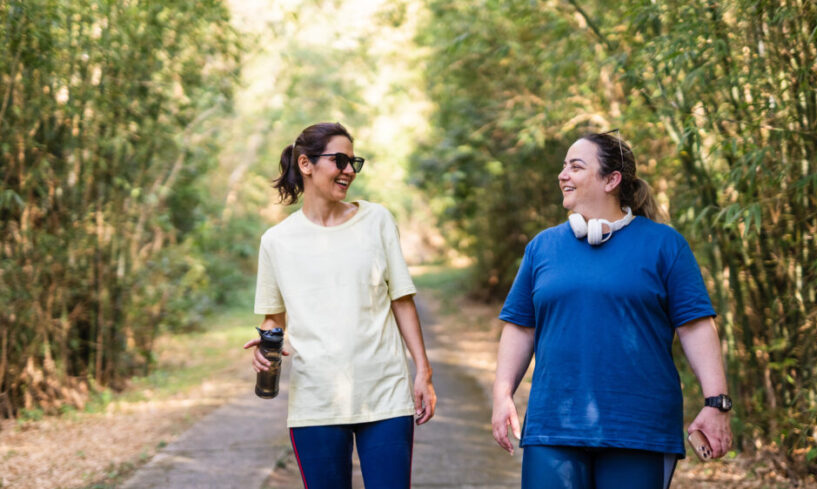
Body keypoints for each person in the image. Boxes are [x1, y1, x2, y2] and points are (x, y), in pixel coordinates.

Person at [491, 131, 732, 489]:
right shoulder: (542, 247)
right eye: (563, 166)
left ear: (611, 180)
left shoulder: (665, 245)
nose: (563, 175)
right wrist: (502, 394)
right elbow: (521, 326)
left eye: (576, 166)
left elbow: (696, 326)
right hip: (554, 424)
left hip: (639, 427)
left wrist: (716, 403)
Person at [243, 122, 436, 489]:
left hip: (385, 394)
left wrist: (423, 371)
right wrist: (267, 344)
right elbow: (273, 316)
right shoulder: (276, 241)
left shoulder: (377, 220)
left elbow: (402, 300)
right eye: (340, 160)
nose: (349, 170)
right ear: (306, 164)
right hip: (316, 399)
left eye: (354, 161)